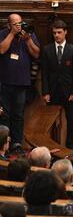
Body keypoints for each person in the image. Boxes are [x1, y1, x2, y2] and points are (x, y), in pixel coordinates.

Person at [0, 14, 40, 154]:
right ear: (9, 25)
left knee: (18, 115)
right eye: (15, 23)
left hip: (22, 83)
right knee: (4, 115)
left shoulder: (28, 34)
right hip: (5, 82)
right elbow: (2, 50)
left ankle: (16, 144)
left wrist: (28, 40)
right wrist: (12, 34)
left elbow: (36, 54)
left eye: (20, 22)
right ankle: (3, 144)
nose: (18, 25)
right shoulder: (4, 34)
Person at [41, 19, 73, 150]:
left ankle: (71, 146)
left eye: (59, 32)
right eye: (54, 33)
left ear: (65, 32)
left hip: (69, 92)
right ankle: (52, 146)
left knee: (72, 121)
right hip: (52, 92)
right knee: (51, 122)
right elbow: (44, 73)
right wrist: (45, 92)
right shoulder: (47, 50)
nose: (56, 35)